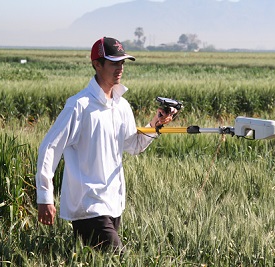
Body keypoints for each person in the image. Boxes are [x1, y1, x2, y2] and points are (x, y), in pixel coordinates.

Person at [35, 37, 176, 252]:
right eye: (113, 63)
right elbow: (49, 148)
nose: (120, 68)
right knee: (120, 258)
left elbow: (133, 145)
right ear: (97, 64)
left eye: (122, 63)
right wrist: (45, 197)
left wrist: (156, 123)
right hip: (88, 204)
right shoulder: (78, 106)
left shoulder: (122, 106)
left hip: (114, 203)